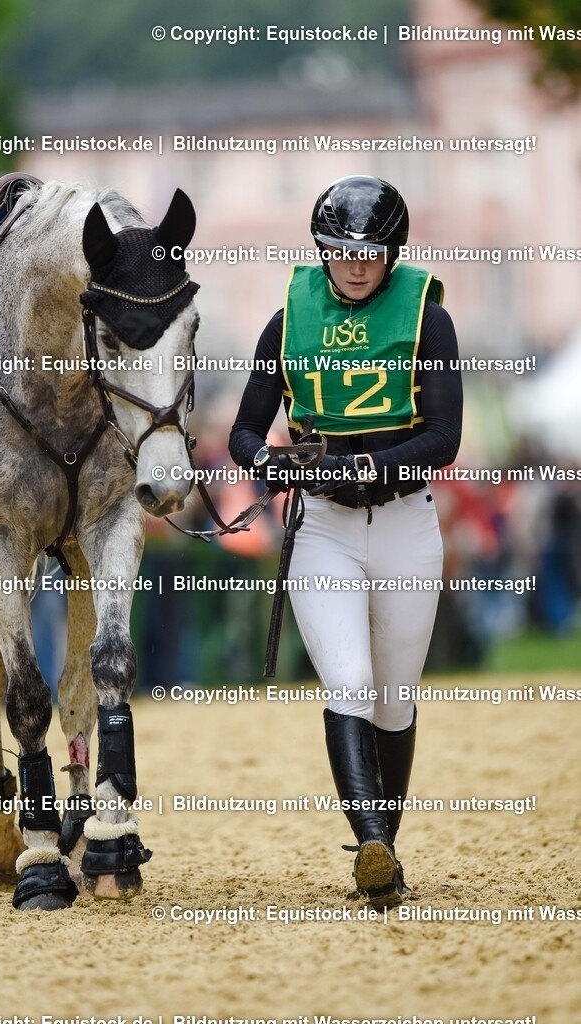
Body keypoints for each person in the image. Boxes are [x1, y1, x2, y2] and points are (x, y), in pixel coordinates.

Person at [229, 175, 462, 907]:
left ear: (393, 252)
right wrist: (270, 463)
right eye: (340, 251)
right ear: (322, 249)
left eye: (370, 252)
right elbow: (243, 431)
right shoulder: (286, 320)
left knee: (393, 699)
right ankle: (371, 847)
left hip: (405, 525)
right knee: (350, 686)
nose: (355, 265)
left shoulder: (428, 316)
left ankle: (385, 846)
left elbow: (443, 438)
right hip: (323, 528)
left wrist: (367, 463)